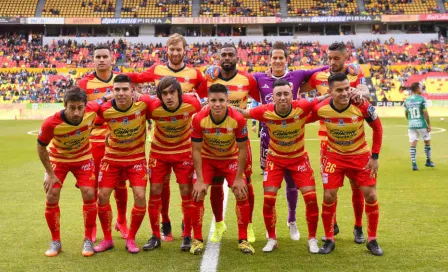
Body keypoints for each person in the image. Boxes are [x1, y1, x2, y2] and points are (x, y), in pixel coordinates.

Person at [129, 33, 207, 241]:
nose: (175, 53)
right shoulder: (156, 71)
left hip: (185, 142)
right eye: (171, 49)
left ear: (184, 50)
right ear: (167, 50)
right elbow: (134, 79)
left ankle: (186, 225)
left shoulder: (195, 74)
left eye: (178, 49)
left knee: (186, 189)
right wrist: (128, 91)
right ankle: (164, 223)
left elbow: (205, 95)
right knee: (159, 188)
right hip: (160, 142)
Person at [233, 79, 326, 253]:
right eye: (279, 94)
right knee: (269, 200)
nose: (282, 98)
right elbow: (243, 113)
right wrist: (218, 105)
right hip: (275, 160)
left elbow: (324, 99)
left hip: (299, 159)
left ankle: (312, 239)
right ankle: (272, 238)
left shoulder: (303, 106)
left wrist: (345, 94)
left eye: (286, 94)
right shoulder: (264, 111)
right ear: (273, 98)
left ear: (292, 95)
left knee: (311, 198)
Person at [251, 42, 328, 240]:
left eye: (281, 58)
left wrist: (350, 69)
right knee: (270, 187)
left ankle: (292, 220)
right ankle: (271, 234)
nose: (277, 61)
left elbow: (320, 70)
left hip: (292, 135)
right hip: (268, 138)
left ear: (286, 60)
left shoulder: (297, 75)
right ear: (269, 59)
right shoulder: (259, 78)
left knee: (292, 183)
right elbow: (240, 82)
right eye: (274, 58)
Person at [308, 73, 383, 256]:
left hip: (360, 156)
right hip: (335, 156)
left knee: (371, 195)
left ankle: (372, 240)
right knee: (329, 195)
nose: (344, 93)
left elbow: (378, 127)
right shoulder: (322, 108)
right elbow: (301, 118)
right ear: (330, 91)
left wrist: (374, 156)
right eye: (339, 90)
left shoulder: (361, 104)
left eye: (347, 89)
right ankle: (329, 239)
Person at [302, 42, 369, 243]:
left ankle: (358, 227)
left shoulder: (355, 74)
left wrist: (362, 93)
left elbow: (365, 90)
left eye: (336, 58)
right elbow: (299, 86)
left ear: (345, 56)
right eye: (329, 58)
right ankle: (333, 224)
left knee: (357, 186)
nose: (332, 62)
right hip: (327, 142)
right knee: (331, 187)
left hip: (353, 140)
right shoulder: (319, 77)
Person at [203, 43, 260, 244]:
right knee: (216, 185)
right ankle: (219, 224)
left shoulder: (247, 79)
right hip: (213, 143)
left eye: (231, 54)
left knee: (247, 185)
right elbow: (196, 94)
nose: (227, 57)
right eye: (223, 54)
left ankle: (249, 224)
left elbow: (264, 99)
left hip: (239, 142)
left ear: (238, 57)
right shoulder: (209, 77)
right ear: (218, 58)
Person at [37, 87, 103, 257]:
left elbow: (105, 99)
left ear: (85, 106)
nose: (76, 112)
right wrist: (50, 173)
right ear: (64, 105)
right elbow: (41, 147)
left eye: (80, 108)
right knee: (52, 194)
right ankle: (55, 241)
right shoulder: (51, 123)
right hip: (59, 159)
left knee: (89, 193)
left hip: (83, 158)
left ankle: (88, 239)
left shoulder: (92, 110)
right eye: (72, 107)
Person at [93, 74, 154, 254]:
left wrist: (143, 96)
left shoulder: (142, 105)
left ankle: (131, 238)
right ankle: (107, 239)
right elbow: (91, 120)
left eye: (125, 89)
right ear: (112, 91)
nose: (121, 93)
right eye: (117, 89)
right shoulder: (105, 110)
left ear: (132, 91)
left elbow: (159, 101)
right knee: (102, 196)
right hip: (112, 159)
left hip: (136, 159)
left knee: (140, 196)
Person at [190, 83, 254, 255]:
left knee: (241, 191)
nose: (217, 104)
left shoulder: (237, 119)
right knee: (197, 193)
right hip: (208, 159)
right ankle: (196, 239)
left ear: (227, 100)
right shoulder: (198, 118)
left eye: (221, 100)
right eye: (213, 100)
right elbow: (195, 150)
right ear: (207, 101)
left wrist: (240, 177)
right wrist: (200, 179)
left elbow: (242, 149)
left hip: (230, 158)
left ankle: (243, 239)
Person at [141, 76, 202, 252]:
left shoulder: (192, 104)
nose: (169, 97)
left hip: (183, 152)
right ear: (159, 96)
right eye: (164, 93)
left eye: (172, 92)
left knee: (186, 192)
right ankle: (157, 232)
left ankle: (187, 235)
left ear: (179, 93)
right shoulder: (153, 107)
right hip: (159, 153)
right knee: (155, 192)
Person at [78, 44, 130, 240]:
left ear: (112, 59)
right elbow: (81, 110)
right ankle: (91, 228)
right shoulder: (85, 83)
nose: (101, 60)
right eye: (97, 56)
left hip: (119, 138)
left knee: (121, 184)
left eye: (104, 56)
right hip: (94, 140)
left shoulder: (121, 80)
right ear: (93, 60)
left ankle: (122, 222)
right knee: (93, 187)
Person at [404, 82, 434, 170]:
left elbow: (406, 113)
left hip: (412, 125)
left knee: (413, 144)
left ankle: (414, 164)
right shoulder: (422, 99)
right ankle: (428, 161)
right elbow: (425, 113)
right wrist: (429, 124)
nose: (422, 89)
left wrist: (410, 121)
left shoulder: (407, 100)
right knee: (427, 141)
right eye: (421, 87)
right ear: (417, 89)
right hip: (421, 124)